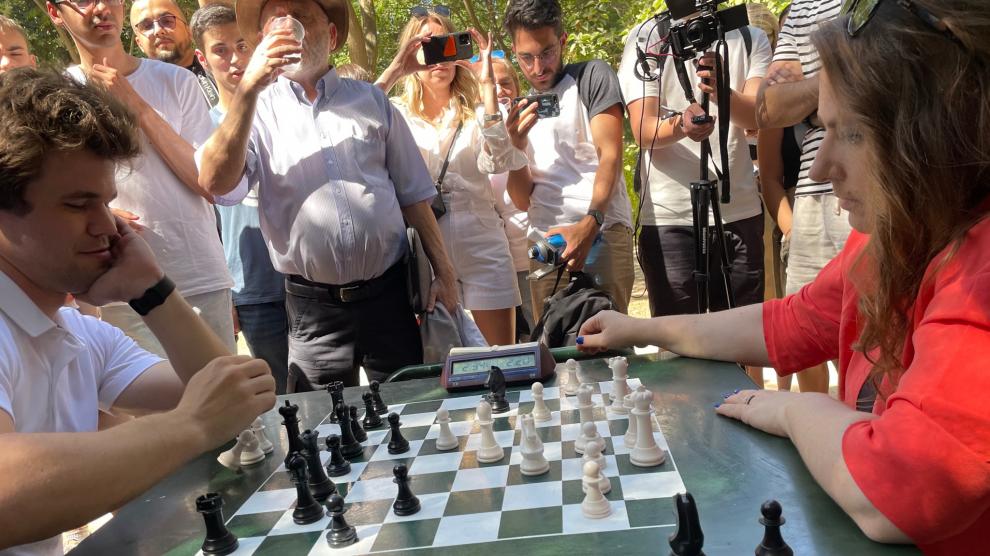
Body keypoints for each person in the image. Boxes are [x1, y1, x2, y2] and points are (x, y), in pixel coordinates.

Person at [577, 1, 990, 551]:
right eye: (824, 129)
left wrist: (797, 409)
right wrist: (642, 329)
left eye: (852, 134)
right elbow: (788, 324)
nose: (818, 168)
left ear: (934, 132)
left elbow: (895, 493)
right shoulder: (889, 237)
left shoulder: (979, 273)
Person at [0, 68, 275, 556]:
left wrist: (152, 289)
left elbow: (240, 394)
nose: (107, 227)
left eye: (106, 202)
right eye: (78, 205)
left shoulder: (78, 334)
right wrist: (191, 426)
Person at [198, 0, 457, 389]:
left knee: (409, 411)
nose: (287, 30)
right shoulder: (254, 112)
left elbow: (414, 195)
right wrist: (248, 87)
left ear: (332, 36)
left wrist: (445, 273)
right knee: (323, 429)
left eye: (299, 19)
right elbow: (214, 183)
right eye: (274, 25)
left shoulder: (372, 102)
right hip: (312, 312)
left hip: (389, 297)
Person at [46, 0, 236, 357]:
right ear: (56, 12)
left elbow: (208, 183)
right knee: (146, 406)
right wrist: (100, 214)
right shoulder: (57, 94)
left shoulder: (177, 80)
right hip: (114, 282)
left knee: (228, 398)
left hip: (197, 275)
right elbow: (50, 194)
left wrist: (135, 104)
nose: (101, 8)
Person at [375, 12, 525, 346]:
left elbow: (499, 159)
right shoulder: (395, 112)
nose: (438, 58)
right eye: (428, 47)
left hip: (483, 243)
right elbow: (353, 120)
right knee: (444, 368)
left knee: (501, 360)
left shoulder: (476, 110)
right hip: (427, 253)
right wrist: (397, 69)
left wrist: (486, 86)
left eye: (445, 46)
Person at [617, 14, 772, 318]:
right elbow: (643, 130)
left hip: (738, 211)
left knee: (743, 343)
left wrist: (722, 90)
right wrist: (681, 126)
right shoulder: (648, 37)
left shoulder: (751, 36)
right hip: (670, 218)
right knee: (679, 347)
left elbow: (755, 117)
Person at [501, 0, 635, 319]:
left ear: (562, 42)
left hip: (601, 230)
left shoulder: (592, 75)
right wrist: (515, 146)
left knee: (610, 347)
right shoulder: (520, 110)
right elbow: (521, 200)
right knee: (556, 353)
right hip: (547, 245)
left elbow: (610, 155)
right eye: (526, 58)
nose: (538, 68)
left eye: (546, 52)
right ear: (514, 52)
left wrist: (591, 223)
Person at [190, 3, 289, 393]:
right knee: (283, 399)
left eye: (243, 45)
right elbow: (204, 215)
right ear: (203, 58)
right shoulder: (199, 126)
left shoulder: (285, 111)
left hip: (307, 285)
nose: (235, 59)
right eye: (221, 49)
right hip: (251, 289)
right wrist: (225, 296)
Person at [755, 0, 845, 393]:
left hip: (880, 187)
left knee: (876, 347)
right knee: (806, 339)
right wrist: (833, 81)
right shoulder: (803, 10)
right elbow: (769, 107)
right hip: (810, 203)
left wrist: (806, 100)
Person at [474, 53, 536, 341]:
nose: (500, 90)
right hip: (497, 266)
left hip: (534, 257)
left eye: (506, 83)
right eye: (491, 84)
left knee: (542, 340)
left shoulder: (533, 126)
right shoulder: (474, 136)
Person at [131, 0, 221, 107]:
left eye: (167, 21)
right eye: (146, 26)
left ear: (189, 31)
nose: (158, 30)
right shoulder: (136, 98)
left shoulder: (224, 68)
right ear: (139, 44)